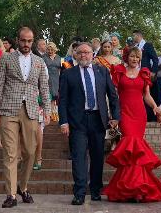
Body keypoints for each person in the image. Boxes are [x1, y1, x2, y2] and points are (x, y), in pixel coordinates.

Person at [0, 27, 51, 209]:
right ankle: (11, 195)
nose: (26, 44)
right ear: (18, 40)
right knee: (10, 153)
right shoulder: (6, 58)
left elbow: (44, 88)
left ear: (33, 42)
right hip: (8, 110)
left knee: (30, 152)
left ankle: (23, 187)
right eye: (23, 40)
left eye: (29, 41)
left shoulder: (39, 62)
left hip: (31, 111)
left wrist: (47, 109)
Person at [103, 47, 161, 202]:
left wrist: (155, 107)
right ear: (127, 57)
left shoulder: (144, 73)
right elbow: (113, 95)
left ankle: (137, 189)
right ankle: (129, 189)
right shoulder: (119, 71)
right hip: (124, 113)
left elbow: (146, 95)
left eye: (137, 57)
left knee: (137, 151)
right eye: (132, 56)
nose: (135, 59)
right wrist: (114, 115)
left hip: (139, 114)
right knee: (129, 147)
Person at [58, 42, 120, 205]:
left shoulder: (102, 71)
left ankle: (95, 190)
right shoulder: (68, 74)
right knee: (78, 157)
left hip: (98, 120)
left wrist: (115, 116)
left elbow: (112, 95)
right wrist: (63, 121)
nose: (83, 55)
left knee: (98, 157)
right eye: (80, 53)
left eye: (87, 52)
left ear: (93, 54)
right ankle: (79, 193)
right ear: (76, 55)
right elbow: (62, 100)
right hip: (77, 122)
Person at [43, 42, 62, 109]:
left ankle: (54, 113)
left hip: (56, 79)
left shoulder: (59, 57)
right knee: (48, 96)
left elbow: (60, 69)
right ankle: (48, 112)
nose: (50, 51)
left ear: (55, 49)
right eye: (48, 49)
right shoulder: (43, 57)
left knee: (55, 96)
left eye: (52, 49)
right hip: (47, 79)